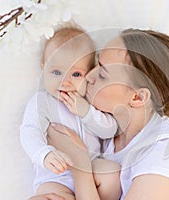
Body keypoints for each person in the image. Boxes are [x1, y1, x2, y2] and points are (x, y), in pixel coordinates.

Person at [43, 28, 169, 200]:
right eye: (96, 63)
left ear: (138, 98)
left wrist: (78, 162)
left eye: (103, 74)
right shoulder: (104, 134)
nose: (89, 76)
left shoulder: (168, 153)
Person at [20, 23, 121, 200]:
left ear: (89, 74)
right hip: (56, 175)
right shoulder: (42, 102)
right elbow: (29, 132)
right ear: (43, 69)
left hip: (91, 169)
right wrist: (44, 154)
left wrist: (86, 112)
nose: (65, 82)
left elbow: (110, 130)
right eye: (57, 72)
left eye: (76, 75)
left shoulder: (90, 101)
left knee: (112, 174)